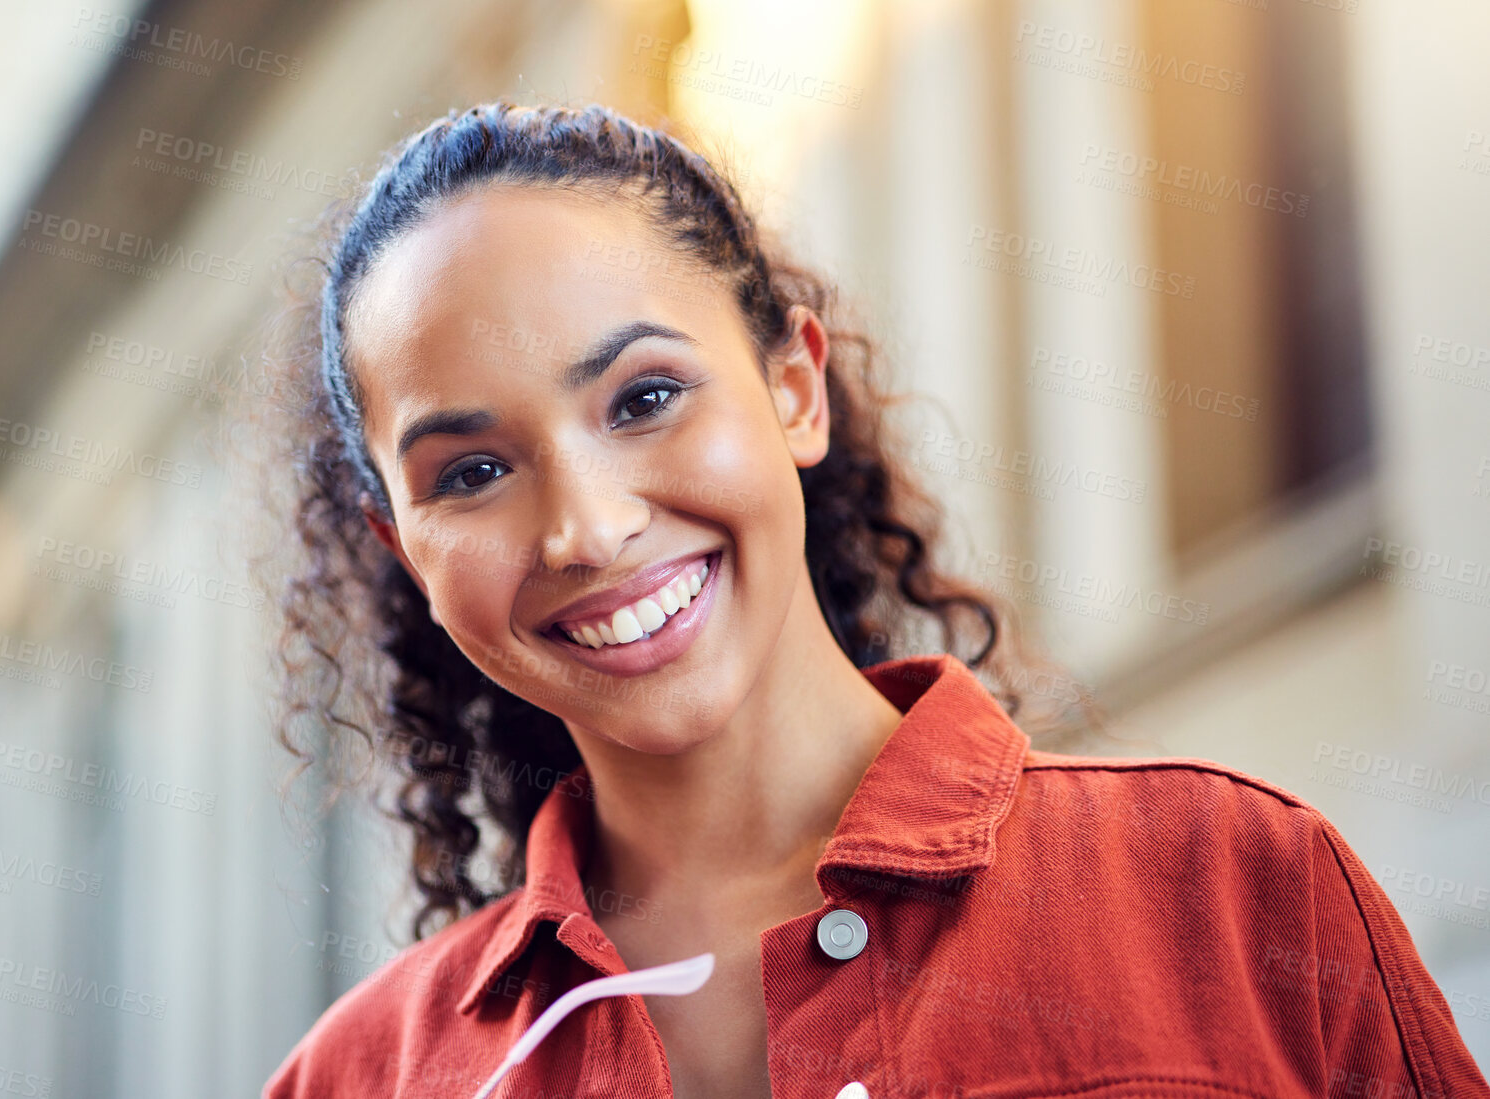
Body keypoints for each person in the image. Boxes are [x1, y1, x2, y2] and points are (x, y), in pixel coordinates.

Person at [240, 101, 1487, 1098]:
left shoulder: (1236, 892)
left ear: (793, 387)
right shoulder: (360, 1077)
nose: (585, 526)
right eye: (472, 472)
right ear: (403, 548)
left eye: (643, 398)